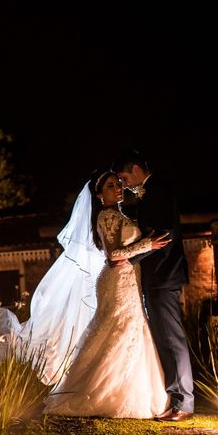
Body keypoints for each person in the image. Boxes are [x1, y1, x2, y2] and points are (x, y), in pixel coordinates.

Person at [43, 171, 171, 418]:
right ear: (99, 195)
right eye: (111, 186)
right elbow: (113, 254)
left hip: (128, 278)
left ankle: (131, 391)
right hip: (117, 280)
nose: (118, 188)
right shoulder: (107, 215)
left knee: (127, 328)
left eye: (118, 184)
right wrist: (148, 244)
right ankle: (101, 393)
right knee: (119, 328)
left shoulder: (119, 215)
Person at [112, 150, 194, 422]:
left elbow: (164, 234)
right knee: (164, 337)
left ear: (136, 169)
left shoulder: (157, 191)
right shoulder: (150, 192)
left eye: (124, 178)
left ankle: (184, 401)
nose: (123, 184)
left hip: (164, 274)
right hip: (156, 276)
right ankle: (176, 398)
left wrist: (131, 257)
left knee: (171, 338)